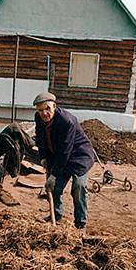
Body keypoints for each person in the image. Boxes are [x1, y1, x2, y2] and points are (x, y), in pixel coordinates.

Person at [33, 92, 94, 229]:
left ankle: (80, 224)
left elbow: (65, 150)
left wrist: (54, 175)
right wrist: (43, 157)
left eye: (47, 108)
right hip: (58, 156)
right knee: (54, 188)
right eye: (41, 110)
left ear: (54, 106)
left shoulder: (67, 121)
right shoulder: (38, 118)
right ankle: (56, 215)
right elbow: (40, 138)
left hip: (79, 156)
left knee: (78, 187)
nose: (44, 113)